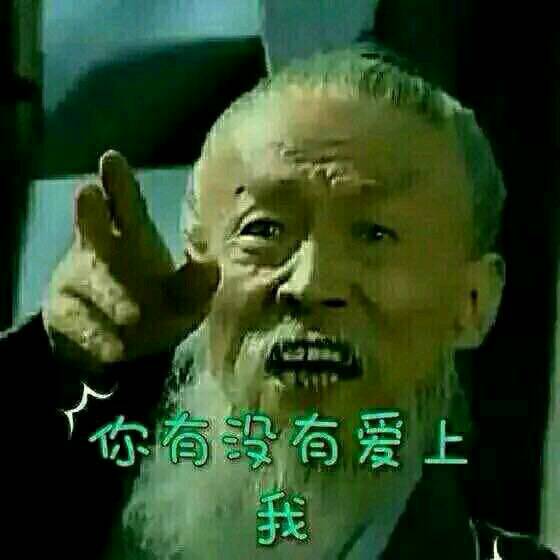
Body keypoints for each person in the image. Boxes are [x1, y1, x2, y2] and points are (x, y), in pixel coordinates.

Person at [2, 43, 557, 560]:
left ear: (471, 302)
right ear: (197, 260)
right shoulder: (90, 518)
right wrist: (51, 368)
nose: (310, 284)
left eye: (374, 235)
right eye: (263, 229)